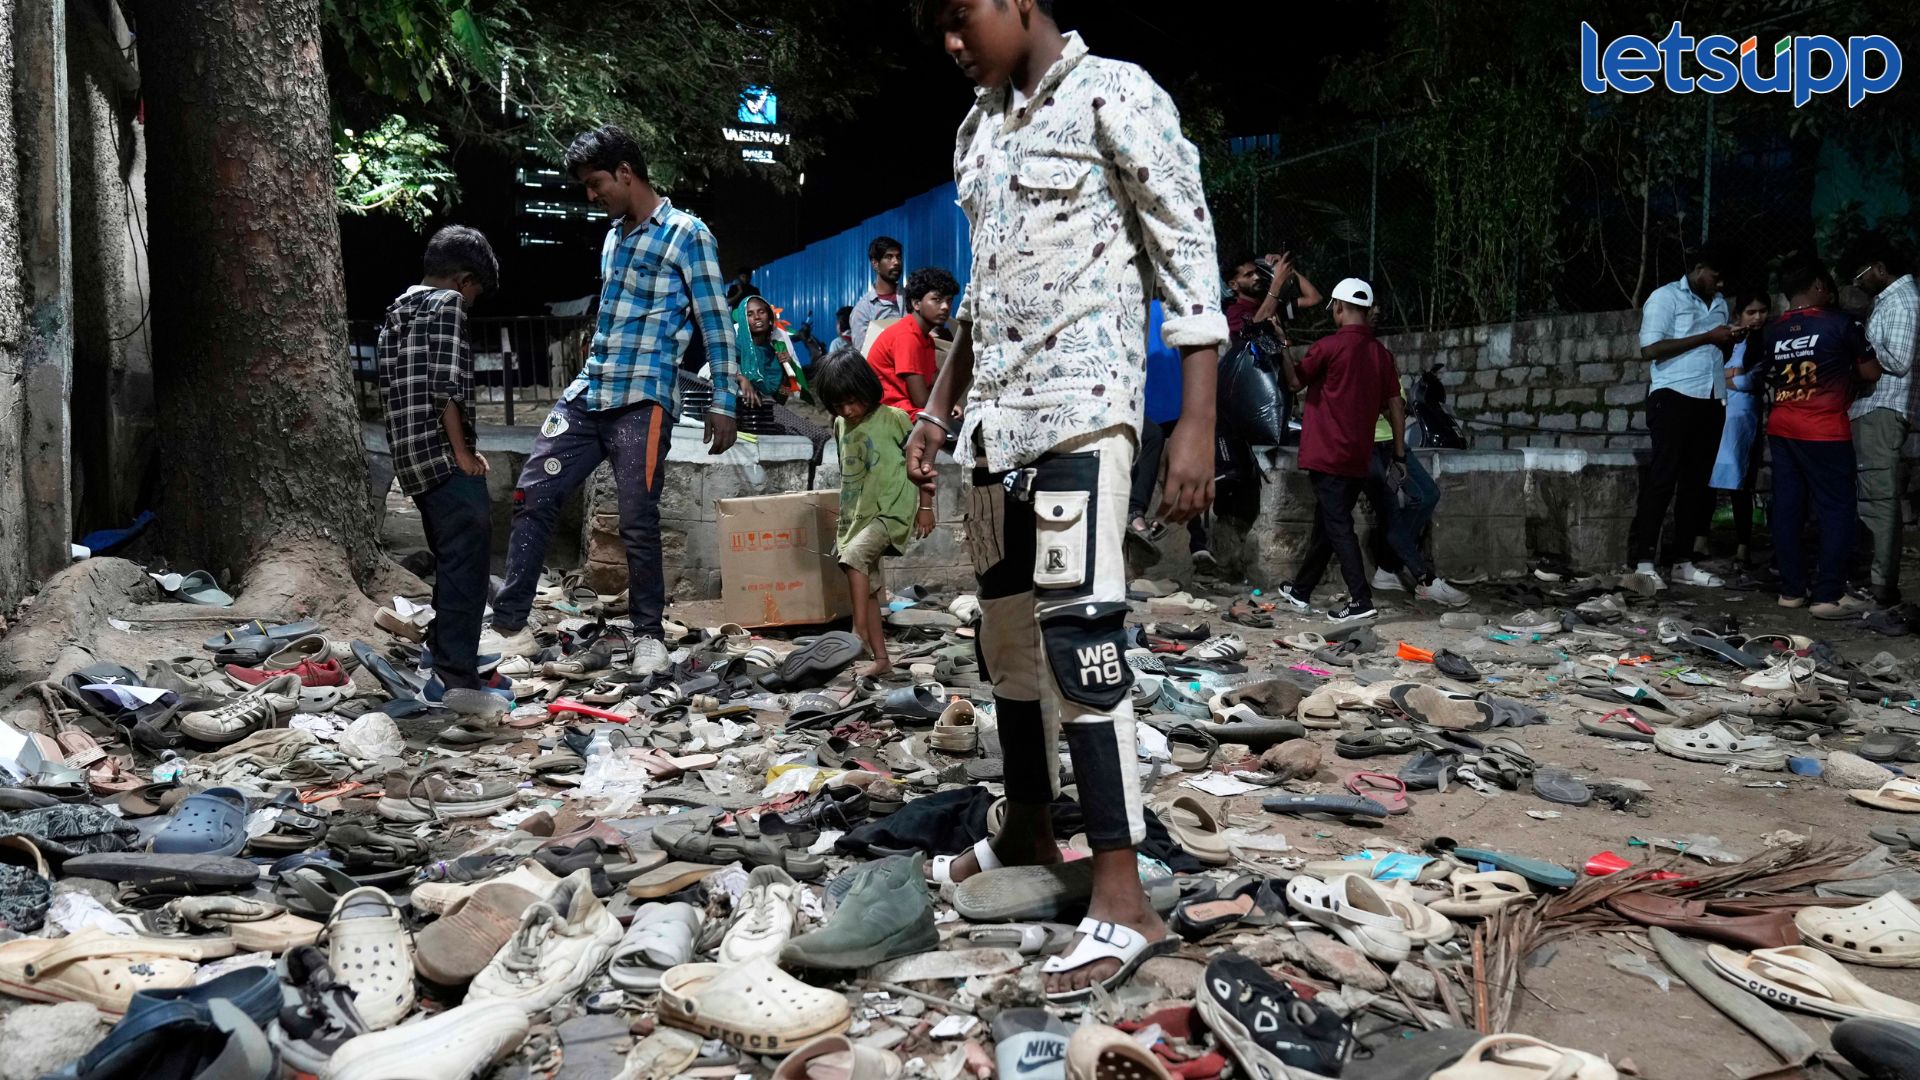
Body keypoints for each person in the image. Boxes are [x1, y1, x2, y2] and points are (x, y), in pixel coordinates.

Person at [905, 0, 1227, 1002]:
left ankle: (1122, 899)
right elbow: (982, 290)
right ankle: (1029, 832)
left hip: (1084, 413)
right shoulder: (977, 129)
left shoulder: (1114, 95)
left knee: (1081, 644)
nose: (952, 43)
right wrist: (936, 409)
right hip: (994, 428)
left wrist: (1197, 423)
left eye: (961, 17)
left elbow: (1189, 253)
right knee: (1006, 646)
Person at [482, 124, 740, 672]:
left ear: (626, 172)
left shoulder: (687, 234)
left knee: (637, 518)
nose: (591, 195)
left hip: (643, 399)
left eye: (596, 183)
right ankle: (511, 625)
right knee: (533, 494)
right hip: (589, 392)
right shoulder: (613, 236)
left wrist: (724, 401)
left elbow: (716, 322)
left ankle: (648, 634)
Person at [377, 226, 502, 717]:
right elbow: (446, 387)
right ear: (464, 280)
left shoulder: (397, 310)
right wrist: (463, 453)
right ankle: (454, 680)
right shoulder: (445, 306)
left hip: (412, 457)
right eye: (475, 292)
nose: (472, 303)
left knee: (450, 558)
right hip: (442, 454)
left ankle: (446, 658)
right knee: (468, 562)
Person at [1745, 261, 1880, 617]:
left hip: (1783, 427)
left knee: (1789, 507)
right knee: (1837, 510)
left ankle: (1791, 591)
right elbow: (1870, 371)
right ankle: (1828, 595)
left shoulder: (1772, 330)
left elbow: (1768, 375)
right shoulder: (1839, 323)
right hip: (1824, 430)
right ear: (1819, 285)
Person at [1273, 278, 1402, 625]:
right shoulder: (1382, 355)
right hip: (1359, 457)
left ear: (1340, 308)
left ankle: (1361, 599)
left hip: (1327, 453)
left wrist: (1284, 344)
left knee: (1338, 524)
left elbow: (1295, 382)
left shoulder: (1328, 347)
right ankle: (1302, 589)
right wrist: (1400, 454)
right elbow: (1395, 405)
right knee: (1328, 523)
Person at [815, 350, 934, 677]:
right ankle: (881, 660)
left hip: (892, 509)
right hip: (859, 515)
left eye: (853, 401)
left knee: (853, 558)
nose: (848, 410)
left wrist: (925, 507)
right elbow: (848, 476)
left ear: (867, 389)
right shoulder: (840, 425)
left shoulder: (894, 418)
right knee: (867, 586)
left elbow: (923, 464)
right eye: (839, 405)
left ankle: (859, 632)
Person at [1629, 247, 1737, 590]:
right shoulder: (1665, 298)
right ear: (1698, 268)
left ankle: (1682, 561)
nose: (1719, 284)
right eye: (1714, 276)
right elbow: (1650, 349)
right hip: (1673, 395)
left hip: (1711, 396)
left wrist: (1730, 339)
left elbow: (1719, 352)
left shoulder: (1719, 302)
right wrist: (1708, 336)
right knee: (1663, 478)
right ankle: (1644, 561)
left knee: (1697, 485)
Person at [1362, 298, 1469, 607]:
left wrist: (1399, 407)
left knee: (1426, 495)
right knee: (1391, 513)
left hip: (1391, 440)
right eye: (1372, 308)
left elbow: (1394, 396)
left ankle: (1387, 567)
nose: (1378, 314)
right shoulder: (1357, 353)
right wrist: (1391, 405)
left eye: (1379, 310)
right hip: (1368, 444)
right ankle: (1425, 579)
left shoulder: (1381, 352)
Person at [1844, 234, 1918, 605]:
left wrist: (1858, 340)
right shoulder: (1890, 301)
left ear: (1880, 269)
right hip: (1871, 408)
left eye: (1861, 276)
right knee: (1870, 497)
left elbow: (1900, 361)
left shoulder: (1904, 302)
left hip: (1883, 409)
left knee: (1879, 498)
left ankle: (1880, 587)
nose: (1858, 284)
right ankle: (1872, 582)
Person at [1127, 299, 1211, 568]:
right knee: (1157, 459)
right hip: (1149, 398)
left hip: (1171, 397)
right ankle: (1138, 518)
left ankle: (1197, 542)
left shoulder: (1177, 305)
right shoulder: (1134, 301)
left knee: (1178, 468)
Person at [1709, 293, 1774, 565]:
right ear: (1738, 315)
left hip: (1743, 419)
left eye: (1762, 311)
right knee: (1708, 478)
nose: (1757, 317)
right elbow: (1711, 373)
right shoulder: (1727, 341)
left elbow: (1750, 381)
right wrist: (1730, 375)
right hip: (1717, 414)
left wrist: (1728, 375)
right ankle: (1701, 540)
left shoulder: (1766, 342)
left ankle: (1743, 546)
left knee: (1740, 482)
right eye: (1751, 312)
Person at [864, 267, 958, 411]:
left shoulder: (926, 339)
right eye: (937, 300)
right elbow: (921, 400)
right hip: (892, 414)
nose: (945, 307)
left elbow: (933, 382)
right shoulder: (907, 336)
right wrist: (946, 406)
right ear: (916, 303)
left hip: (906, 409)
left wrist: (950, 405)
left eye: (949, 301)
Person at [1224, 251, 1322, 344]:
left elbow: (1314, 298)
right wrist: (1277, 282)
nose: (1257, 277)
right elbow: (1255, 330)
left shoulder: (1271, 303)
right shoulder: (1234, 312)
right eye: (1249, 275)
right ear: (1233, 285)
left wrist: (1286, 268)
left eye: (1256, 272)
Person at [733, 294, 794, 407]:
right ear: (743, 320)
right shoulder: (734, 347)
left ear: (770, 318)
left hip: (763, 417)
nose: (757, 317)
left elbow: (780, 403)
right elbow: (713, 371)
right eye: (749, 314)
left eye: (761, 312)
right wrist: (741, 378)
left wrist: (786, 372)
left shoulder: (773, 354)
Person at [849, 236, 906, 355]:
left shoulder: (912, 298)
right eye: (889, 257)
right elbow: (864, 355)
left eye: (898, 257)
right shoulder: (863, 311)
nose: (896, 262)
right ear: (875, 263)